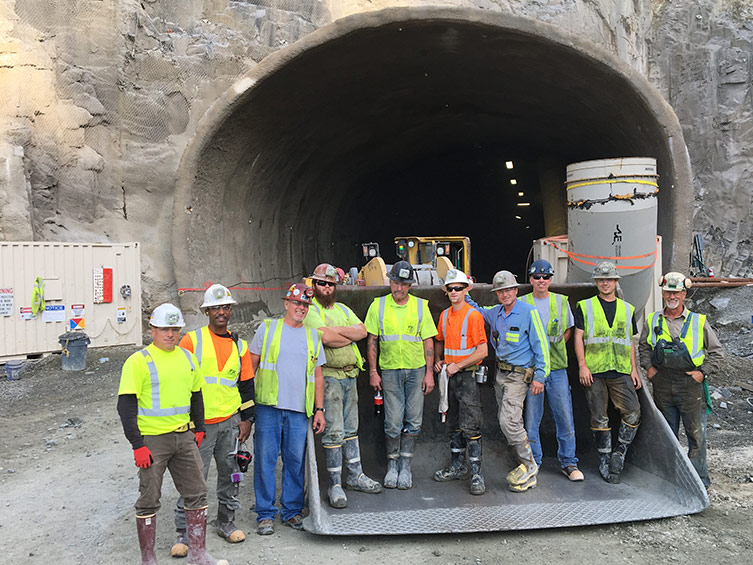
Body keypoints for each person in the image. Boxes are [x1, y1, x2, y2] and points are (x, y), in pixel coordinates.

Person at [117, 303, 227, 565]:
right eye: (165, 329)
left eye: (175, 329)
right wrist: (137, 445)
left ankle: (198, 554)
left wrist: (198, 428)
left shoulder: (187, 358)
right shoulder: (138, 361)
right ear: (152, 329)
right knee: (148, 498)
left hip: (183, 437)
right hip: (152, 441)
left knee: (197, 492)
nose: (170, 334)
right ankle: (149, 559)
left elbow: (196, 395)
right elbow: (126, 406)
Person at [171, 284, 255, 557]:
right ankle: (184, 532)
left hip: (230, 422)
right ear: (206, 311)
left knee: (230, 475)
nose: (221, 312)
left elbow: (246, 385)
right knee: (193, 478)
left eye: (225, 307)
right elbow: (178, 381)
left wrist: (247, 419)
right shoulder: (191, 342)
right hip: (199, 426)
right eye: (216, 308)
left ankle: (226, 522)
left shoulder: (239, 345)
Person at [249, 283, 326, 535]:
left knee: (294, 462)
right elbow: (249, 369)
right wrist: (246, 409)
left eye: (305, 305)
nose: (301, 308)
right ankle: (265, 514)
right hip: (268, 408)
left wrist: (319, 409)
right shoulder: (267, 329)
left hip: (298, 410)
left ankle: (291, 512)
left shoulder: (313, 336)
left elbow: (318, 375)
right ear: (286, 304)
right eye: (297, 303)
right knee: (265, 461)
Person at [303, 263, 381, 509]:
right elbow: (323, 337)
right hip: (329, 377)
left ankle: (355, 476)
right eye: (322, 283)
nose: (326, 288)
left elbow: (362, 331)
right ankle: (335, 483)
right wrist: (343, 335)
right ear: (314, 285)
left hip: (350, 376)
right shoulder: (310, 309)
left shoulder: (343, 308)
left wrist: (337, 333)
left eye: (330, 284)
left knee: (351, 428)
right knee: (334, 430)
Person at [466, 270, 549, 492]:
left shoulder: (528, 312)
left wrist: (540, 377)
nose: (505, 294)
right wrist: (463, 290)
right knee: (510, 421)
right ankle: (526, 465)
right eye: (500, 291)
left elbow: (542, 346)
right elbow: (477, 311)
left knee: (509, 422)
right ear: (497, 294)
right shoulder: (496, 313)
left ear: (515, 290)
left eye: (509, 290)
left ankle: (530, 466)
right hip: (501, 375)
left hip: (519, 376)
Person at [638, 272, 723, 488]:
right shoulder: (653, 320)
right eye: (668, 291)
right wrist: (649, 368)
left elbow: (717, 353)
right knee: (666, 435)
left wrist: (701, 373)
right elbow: (644, 347)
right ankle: (670, 480)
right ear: (663, 292)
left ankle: (698, 483)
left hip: (690, 385)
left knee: (696, 435)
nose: (671, 296)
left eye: (676, 292)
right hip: (662, 384)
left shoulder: (698, 321)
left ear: (684, 294)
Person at [366, 260, 437, 490]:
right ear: (390, 281)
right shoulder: (378, 306)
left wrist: (429, 373)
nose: (399, 288)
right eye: (396, 282)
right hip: (389, 371)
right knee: (393, 421)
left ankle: (406, 467)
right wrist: (373, 372)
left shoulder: (420, 306)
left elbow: (428, 340)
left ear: (410, 286)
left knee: (413, 420)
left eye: (404, 284)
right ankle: (392, 466)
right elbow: (372, 341)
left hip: (416, 371)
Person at [573, 261, 641, 484]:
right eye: (601, 279)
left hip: (620, 370)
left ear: (615, 282)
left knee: (632, 412)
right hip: (595, 370)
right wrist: (582, 365)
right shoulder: (585, 306)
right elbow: (578, 337)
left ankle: (619, 454)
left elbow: (629, 341)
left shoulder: (627, 309)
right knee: (599, 417)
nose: (605, 283)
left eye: (609, 279)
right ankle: (604, 460)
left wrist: (634, 369)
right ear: (596, 281)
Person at [520, 260, 583, 482]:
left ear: (550, 279)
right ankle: (533, 462)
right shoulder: (522, 302)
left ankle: (568, 462)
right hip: (531, 371)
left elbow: (568, 330)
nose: (541, 281)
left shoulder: (560, 301)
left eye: (545, 277)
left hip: (556, 369)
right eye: (537, 277)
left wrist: (548, 351)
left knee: (564, 416)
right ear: (530, 280)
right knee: (531, 420)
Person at [432, 270, 488, 495]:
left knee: (471, 424)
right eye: (450, 288)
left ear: (466, 290)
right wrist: (438, 360)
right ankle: (457, 466)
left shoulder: (473, 316)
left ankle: (476, 474)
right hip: (449, 376)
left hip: (467, 377)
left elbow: (482, 350)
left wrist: (459, 365)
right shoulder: (445, 316)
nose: (454, 292)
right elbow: (439, 341)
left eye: (458, 288)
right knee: (452, 422)